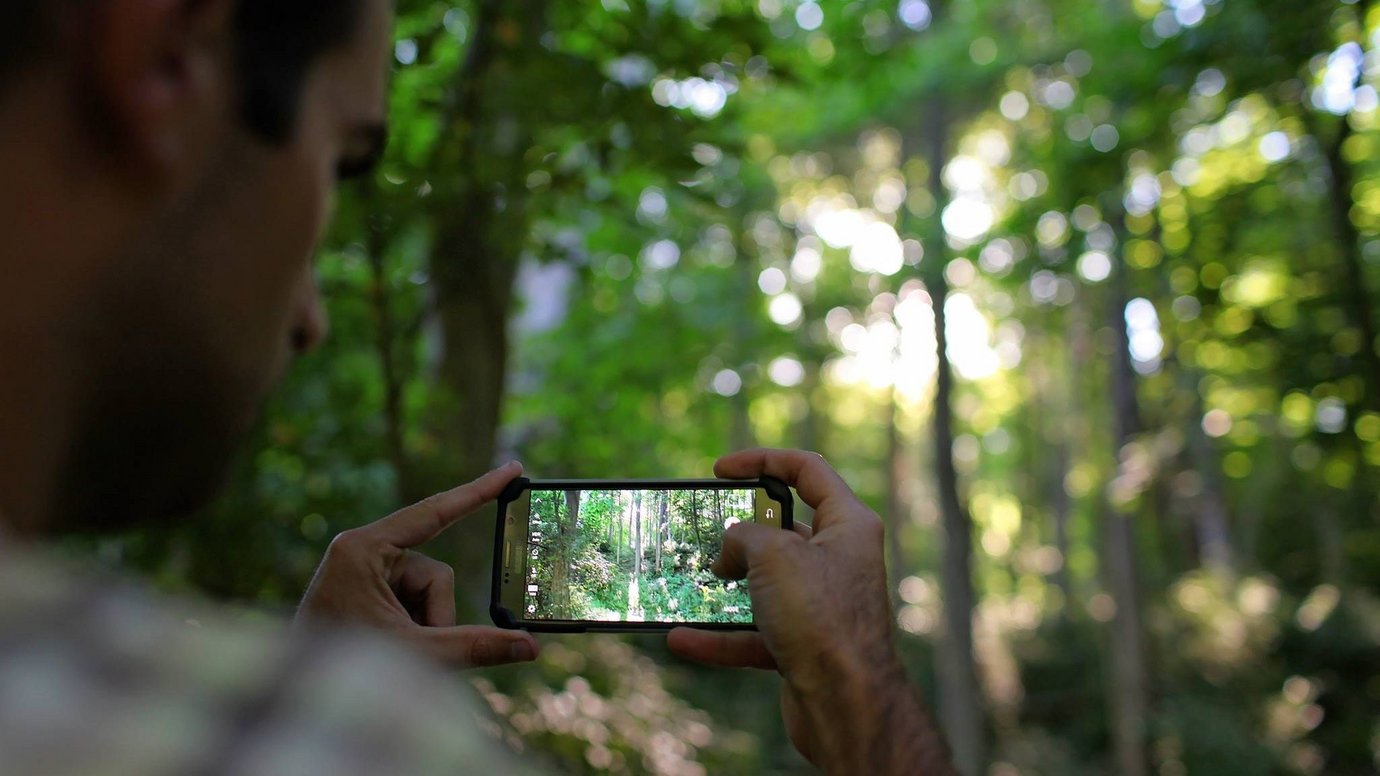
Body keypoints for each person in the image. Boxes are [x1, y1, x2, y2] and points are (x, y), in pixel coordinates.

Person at [0, 1, 956, 774]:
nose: (311, 316)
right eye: (343, 158)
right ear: (164, 54)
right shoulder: (349, 744)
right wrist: (854, 688)